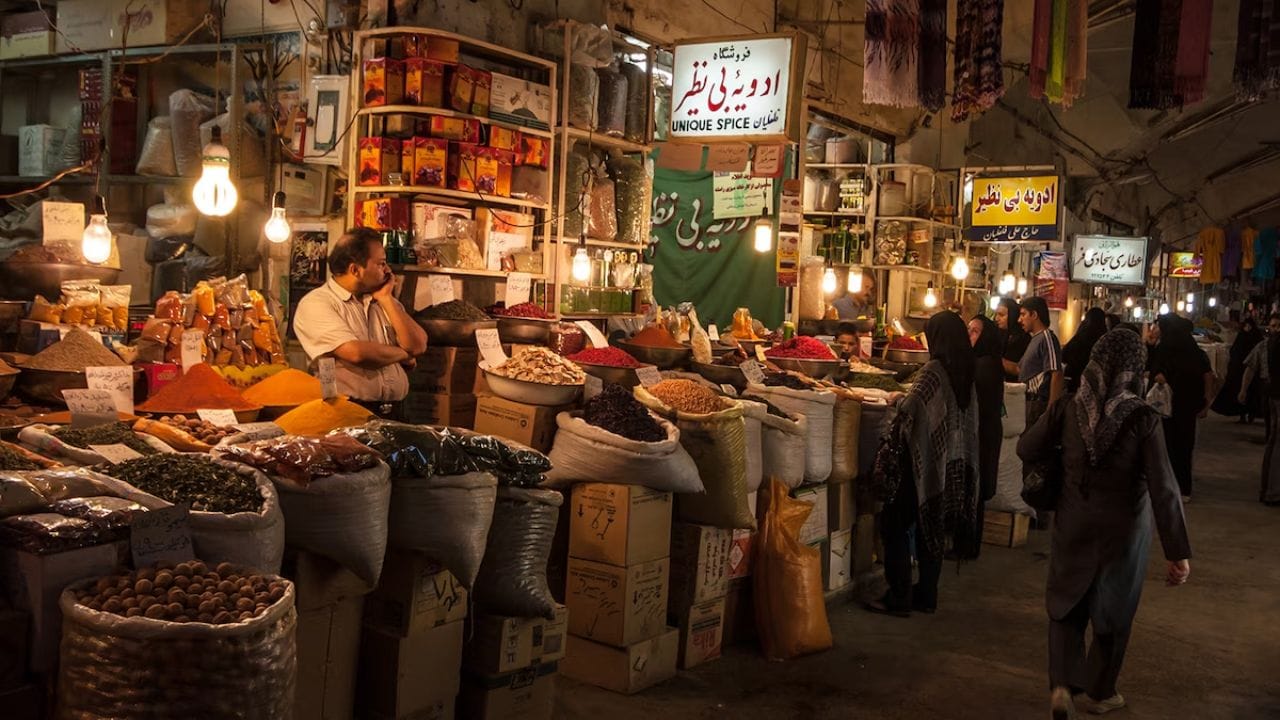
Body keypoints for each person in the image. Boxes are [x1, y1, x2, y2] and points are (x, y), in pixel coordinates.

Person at [1019, 329, 1191, 719]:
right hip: (1124, 532)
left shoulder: (1067, 407)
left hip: (1073, 519)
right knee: (1114, 609)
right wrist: (1177, 552)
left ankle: (1062, 687)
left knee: (1065, 605)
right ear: (1135, 367)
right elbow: (1164, 486)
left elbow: (1026, 446)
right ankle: (1099, 692)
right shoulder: (1143, 418)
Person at [867, 311, 980, 616]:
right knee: (933, 525)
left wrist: (895, 400)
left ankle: (899, 596)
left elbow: (913, 406)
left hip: (919, 461)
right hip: (949, 463)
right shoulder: (966, 372)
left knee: (894, 524)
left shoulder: (934, 370)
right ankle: (927, 596)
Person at [294, 228, 429, 417]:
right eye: (381, 263)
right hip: (346, 413)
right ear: (355, 270)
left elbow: (419, 345)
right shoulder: (317, 303)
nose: (387, 270)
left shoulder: (384, 301)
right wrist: (404, 354)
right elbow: (357, 353)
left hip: (397, 413)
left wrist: (386, 299)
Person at [1148, 315, 1213, 500]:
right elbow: (1207, 375)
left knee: (1166, 447)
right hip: (1189, 407)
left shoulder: (1165, 350)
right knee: (1185, 446)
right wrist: (1206, 401)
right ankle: (1184, 489)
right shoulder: (1195, 351)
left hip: (1167, 409)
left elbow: (1156, 374)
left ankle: (1167, 487)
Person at [969, 314, 1005, 551]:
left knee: (976, 489)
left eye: (974, 331)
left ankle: (969, 545)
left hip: (983, 433)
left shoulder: (984, 365)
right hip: (986, 431)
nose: (968, 335)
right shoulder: (987, 361)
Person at [1019, 296, 1065, 428]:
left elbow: (1056, 373)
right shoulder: (1034, 339)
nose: (1019, 320)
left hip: (1037, 403)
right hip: (1027, 402)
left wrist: (1050, 412)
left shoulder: (1047, 338)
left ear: (1034, 315)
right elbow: (1019, 369)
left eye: (1023, 314)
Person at [1213, 317, 1263, 421]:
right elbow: (1235, 352)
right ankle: (1242, 416)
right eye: (1246, 326)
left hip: (1252, 373)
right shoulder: (1241, 337)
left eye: (1249, 326)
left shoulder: (1257, 339)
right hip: (1239, 372)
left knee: (1251, 395)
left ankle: (1251, 414)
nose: (1247, 328)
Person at [1239, 313, 1280, 435]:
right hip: (1267, 387)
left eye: (1279, 326)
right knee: (1269, 421)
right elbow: (1250, 368)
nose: (1277, 329)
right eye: (1274, 326)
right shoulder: (1262, 346)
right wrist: (1243, 390)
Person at [1255, 326, 1280, 505]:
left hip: (1275, 393)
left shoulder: (1274, 342)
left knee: (1274, 442)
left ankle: (1268, 490)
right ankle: (1273, 492)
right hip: (1278, 394)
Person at [1062, 308, 1108, 394]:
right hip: (1096, 382)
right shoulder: (1104, 337)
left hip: (1076, 378)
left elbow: (1064, 354)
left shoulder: (1082, 334)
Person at [997, 297, 1031, 380]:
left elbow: (1022, 369)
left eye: (1001, 315)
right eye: (996, 314)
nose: (996, 318)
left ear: (1012, 315)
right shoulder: (999, 334)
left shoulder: (1024, 338)